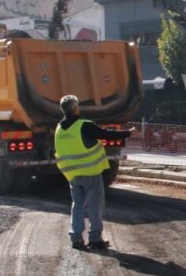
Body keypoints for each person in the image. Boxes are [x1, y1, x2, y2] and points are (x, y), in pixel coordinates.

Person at [54, 94, 131, 251]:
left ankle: (76, 239)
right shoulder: (85, 125)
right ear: (75, 108)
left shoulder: (59, 129)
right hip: (90, 172)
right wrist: (127, 133)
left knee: (77, 206)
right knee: (95, 206)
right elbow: (106, 134)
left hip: (73, 175)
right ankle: (95, 239)